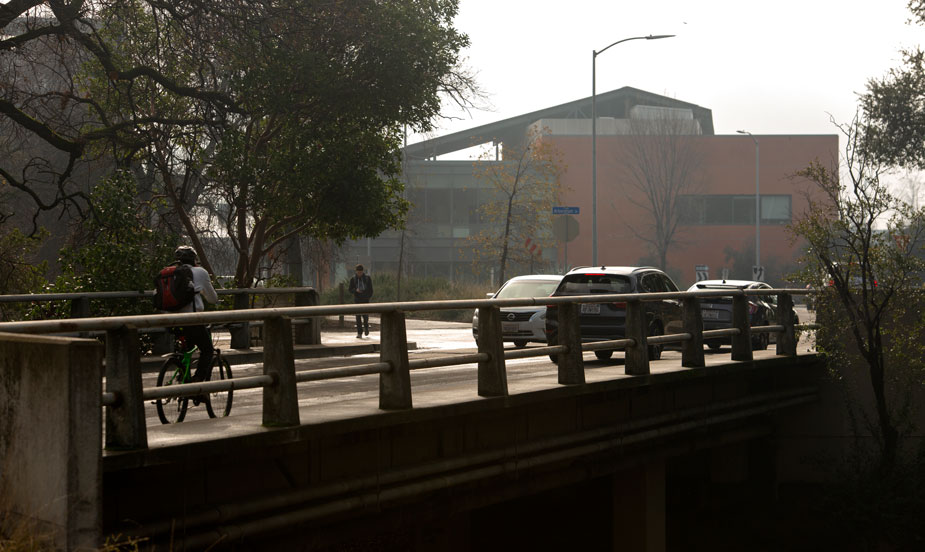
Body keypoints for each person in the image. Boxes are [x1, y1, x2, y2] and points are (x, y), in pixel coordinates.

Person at [170, 246, 219, 391]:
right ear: (194, 260)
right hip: (193, 320)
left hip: (170, 320)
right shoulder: (200, 272)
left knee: (185, 349)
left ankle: (182, 376)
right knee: (207, 350)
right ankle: (197, 383)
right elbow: (212, 298)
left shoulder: (169, 272)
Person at [348, 264, 373, 338]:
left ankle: (366, 327)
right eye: (358, 272)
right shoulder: (353, 279)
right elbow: (350, 289)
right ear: (356, 272)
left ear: (362, 272)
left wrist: (368, 296)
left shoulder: (367, 278)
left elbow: (371, 290)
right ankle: (359, 332)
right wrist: (356, 290)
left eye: (361, 272)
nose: (359, 274)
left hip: (365, 300)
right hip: (357, 300)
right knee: (358, 317)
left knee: (365, 316)